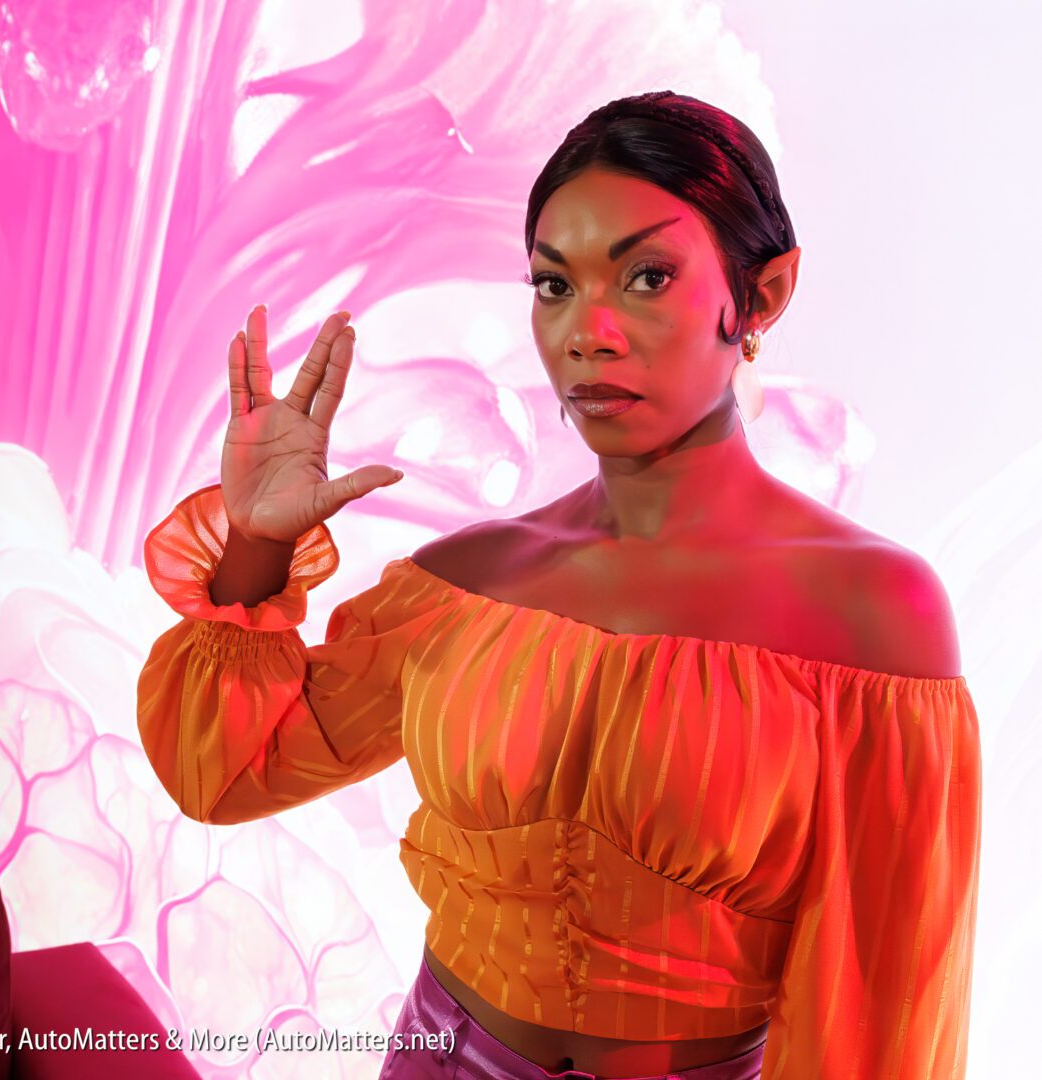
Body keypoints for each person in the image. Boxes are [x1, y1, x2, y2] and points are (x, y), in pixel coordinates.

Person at [136, 91, 981, 1080]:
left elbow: (883, 1017)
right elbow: (227, 771)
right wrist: (255, 546)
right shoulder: (470, 581)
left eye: (647, 277)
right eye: (554, 286)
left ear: (761, 295)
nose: (590, 332)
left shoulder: (873, 618)